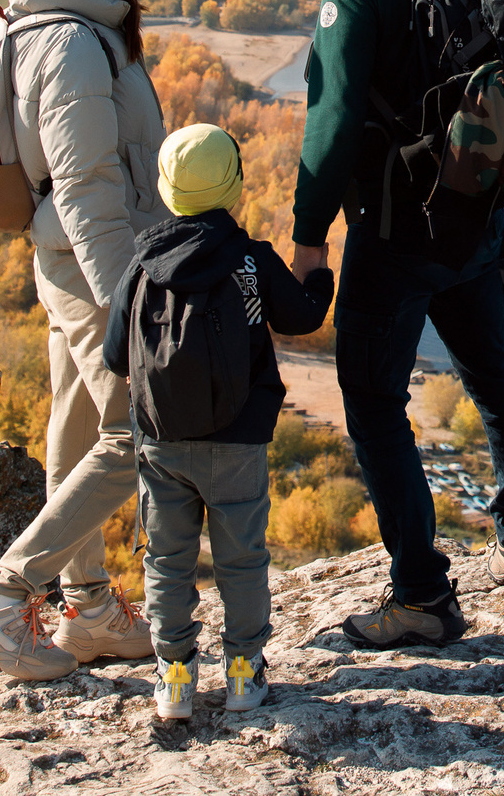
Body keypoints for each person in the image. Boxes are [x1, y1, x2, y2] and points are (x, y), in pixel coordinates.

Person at [291, 0, 504, 650]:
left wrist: (307, 237)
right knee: (490, 371)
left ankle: (421, 597)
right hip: (479, 220)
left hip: (397, 228)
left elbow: (330, 122)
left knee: (372, 401)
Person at [0, 0, 167, 679]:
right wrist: (127, 308)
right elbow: (86, 189)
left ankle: (89, 609)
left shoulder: (37, 27)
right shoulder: (73, 44)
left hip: (65, 265)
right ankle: (4, 603)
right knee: (133, 433)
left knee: (75, 430)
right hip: (100, 268)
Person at [104, 123, 334, 721]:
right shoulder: (251, 262)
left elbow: (112, 356)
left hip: (161, 441)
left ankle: (175, 679)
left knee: (168, 560)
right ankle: (243, 674)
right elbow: (304, 317)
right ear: (233, 187)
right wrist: (321, 271)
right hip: (238, 439)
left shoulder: (141, 263)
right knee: (241, 558)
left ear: (165, 187)